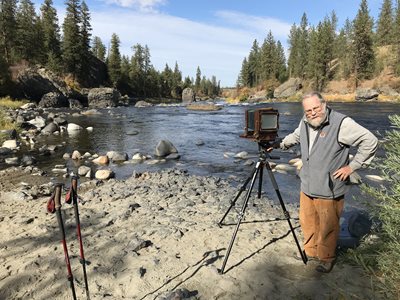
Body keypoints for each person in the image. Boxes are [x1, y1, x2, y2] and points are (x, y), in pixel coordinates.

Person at [278, 92, 378, 273]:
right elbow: (296, 136)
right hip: (308, 183)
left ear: (324, 105)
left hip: (329, 187)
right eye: (308, 110)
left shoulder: (342, 123)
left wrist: (353, 166)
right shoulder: (305, 121)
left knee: (328, 225)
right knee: (307, 221)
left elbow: (370, 141)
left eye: (316, 108)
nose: (312, 113)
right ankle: (311, 251)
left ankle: (326, 258)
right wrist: (280, 144)